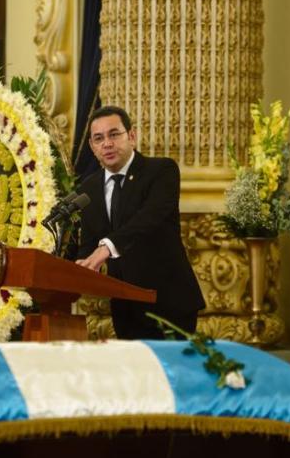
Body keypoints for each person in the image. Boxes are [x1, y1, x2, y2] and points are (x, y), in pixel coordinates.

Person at [75, 105, 205, 339]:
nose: (107, 143)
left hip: (169, 301)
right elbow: (89, 242)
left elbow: (149, 219)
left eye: (114, 134)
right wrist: (79, 266)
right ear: (93, 147)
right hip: (125, 308)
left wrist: (106, 248)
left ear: (131, 136)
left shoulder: (161, 171)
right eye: (99, 138)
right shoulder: (89, 188)